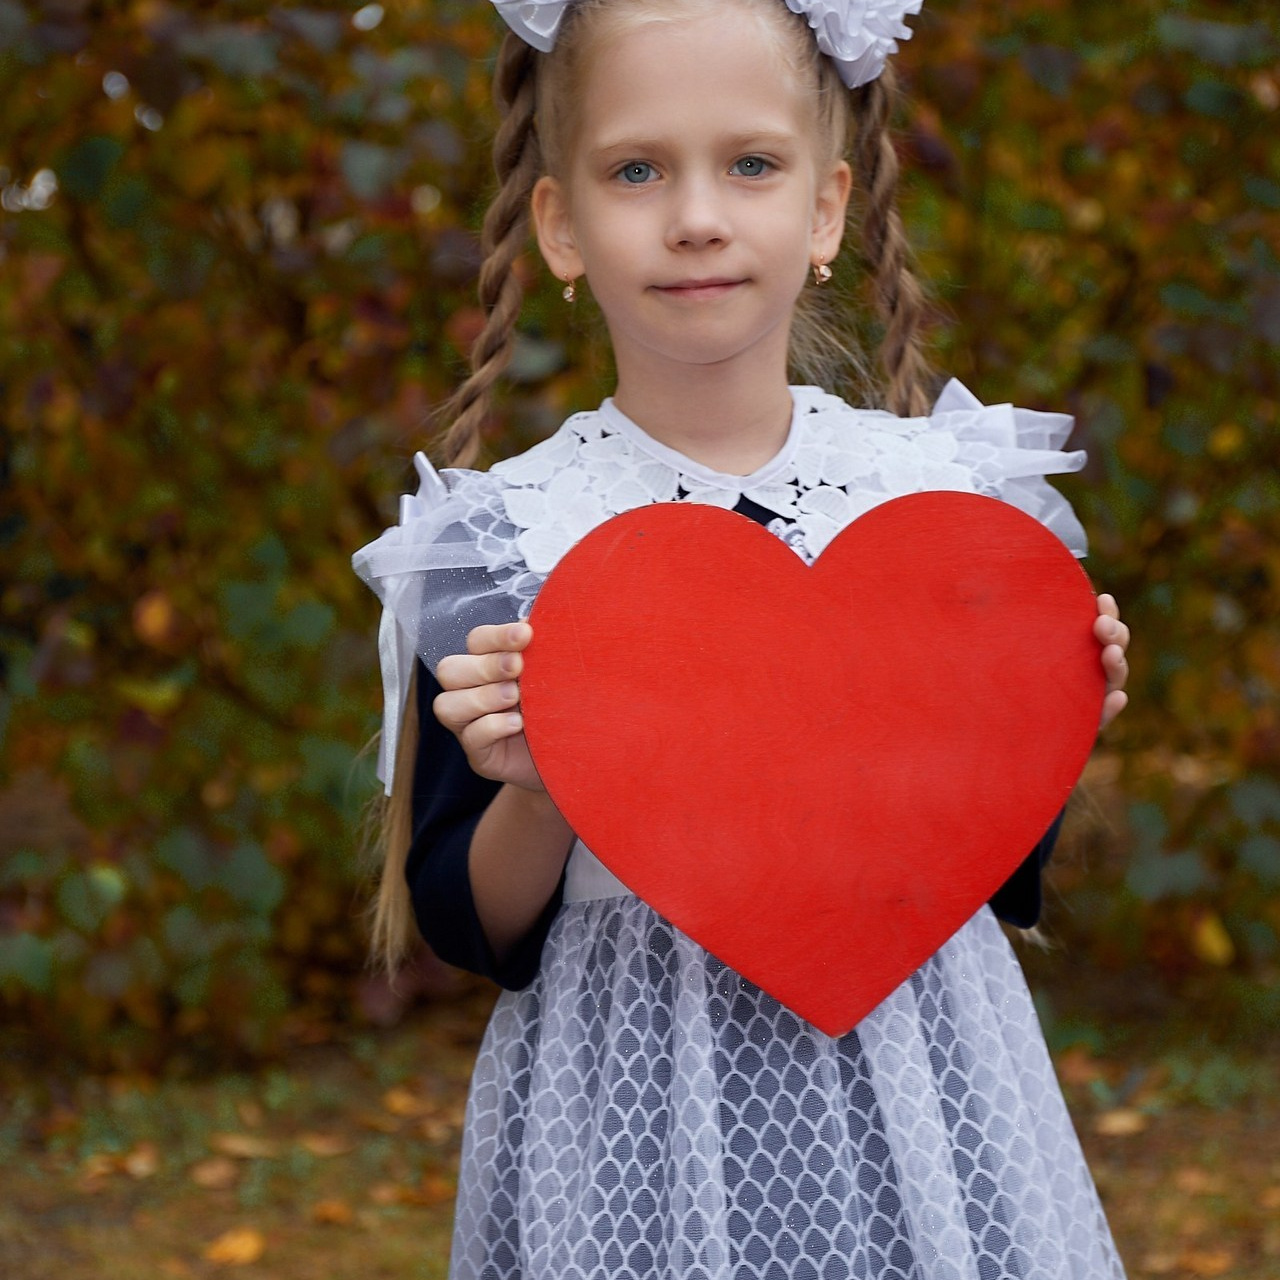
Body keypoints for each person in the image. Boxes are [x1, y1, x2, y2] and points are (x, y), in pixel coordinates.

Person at [353, 0, 1134, 1275]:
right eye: (636, 169)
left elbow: (993, 862)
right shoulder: (502, 544)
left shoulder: (942, 506)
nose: (697, 214)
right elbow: (469, 920)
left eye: (750, 164)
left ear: (825, 211)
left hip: (923, 1096)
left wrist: (1047, 720)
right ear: (559, 225)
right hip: (630, 1119)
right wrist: (543, 787)